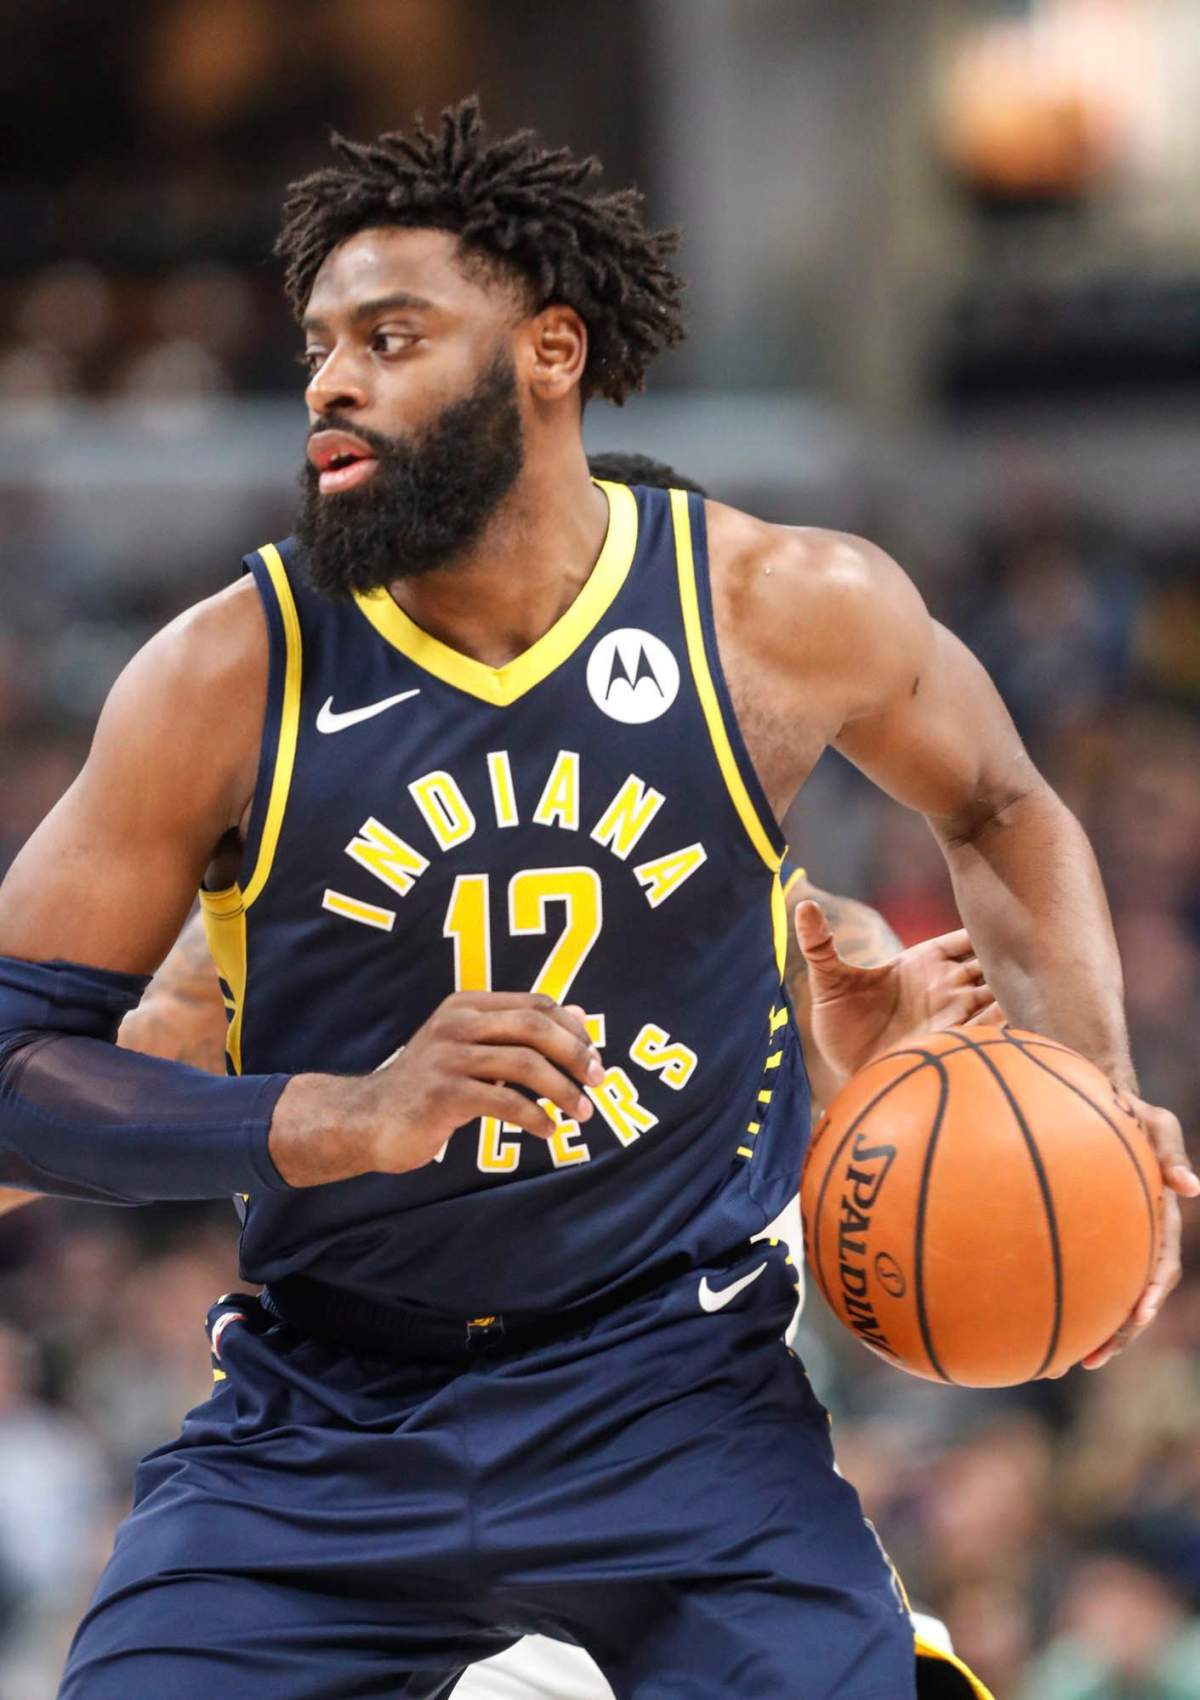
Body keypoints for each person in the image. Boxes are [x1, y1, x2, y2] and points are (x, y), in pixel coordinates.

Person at [0, 102, 1191, 1699]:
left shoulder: (779, 611)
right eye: (319, 347)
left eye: (391, 335)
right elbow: (16, 1083)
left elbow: (998, 801)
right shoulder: (228, 674)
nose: (329, 381)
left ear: (549, 352)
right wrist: (331, 1119)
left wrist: (1090, 1095)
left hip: (672, 1391)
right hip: (326, 1413)